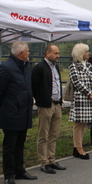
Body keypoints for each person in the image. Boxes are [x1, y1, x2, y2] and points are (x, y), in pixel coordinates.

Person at [0, 41, 37, 184]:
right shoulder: (6, 68)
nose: (29, 53)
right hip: (11, 112)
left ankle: (19, 170)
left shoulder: (25, 67)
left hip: (24, 112)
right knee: (10, 145)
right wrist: (1, 108)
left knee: (20, 143)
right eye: (28, 51)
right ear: (20, 53)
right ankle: (9, 174)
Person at [31, 44, 67, 174]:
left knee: (54, 134)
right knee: (43, 134)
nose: (58, 56)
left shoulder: (55, 67)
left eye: (58, 53)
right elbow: (34, 86)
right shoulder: (40, 68)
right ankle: (43, 161)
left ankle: (51, 159)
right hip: (46, 105)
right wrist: (40, 99)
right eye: (55, 53)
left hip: (57, 104)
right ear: (47, 54)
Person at [69, 43, 92, 159]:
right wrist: (88, 92)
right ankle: (78, 146)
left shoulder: (89, 66)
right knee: (78, 123)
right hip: (80, 98)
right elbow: (77, 82)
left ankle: (78, 146)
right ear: (80, 53)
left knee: (84, 123)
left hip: (90, 98)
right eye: (86, 51)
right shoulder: (73, 66)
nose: (88, 53)